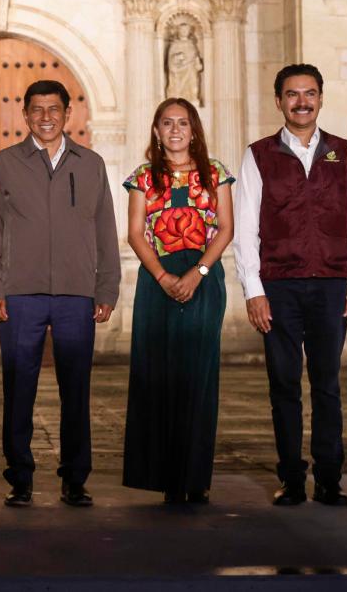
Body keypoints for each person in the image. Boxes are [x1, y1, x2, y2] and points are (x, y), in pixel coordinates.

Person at [233, 64, 347, 507]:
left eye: (310, 93)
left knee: (327, 384)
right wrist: (253, 290)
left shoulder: (345, 154)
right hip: (279, 286)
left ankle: (330, 479)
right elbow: (245, 229)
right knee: (283, 385)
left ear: (320, 98)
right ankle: (292, 479)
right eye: (293, 94)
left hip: (332, 286)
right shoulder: (258, 155)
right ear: (278, 100)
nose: (302, 102)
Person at [0, 80, 121, 508]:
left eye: (53, 109)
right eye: (37, 109)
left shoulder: (91, 164)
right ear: (25, 115)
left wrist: (107, 286)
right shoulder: (5, 163)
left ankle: (75, 478)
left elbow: (105, 230)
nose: (45, 117)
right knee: (18, 388)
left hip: (77, 294)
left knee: (76, 389)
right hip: (20, 294)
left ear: (67, 114)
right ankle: (20, 477)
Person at [122, 98, 234, 504]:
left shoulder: (215, 173)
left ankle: (195, 476)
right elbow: (136, 233)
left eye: (182, 123)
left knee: (198, 376)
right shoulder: (143, 177)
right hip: (157, 278)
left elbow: (225, 230)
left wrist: (197, 274)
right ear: (156, 130)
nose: (174, 130)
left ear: (194, 130)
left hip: (204, 278)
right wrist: (165, 276)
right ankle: (165, 476)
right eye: (166, 123)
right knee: (158, 375)